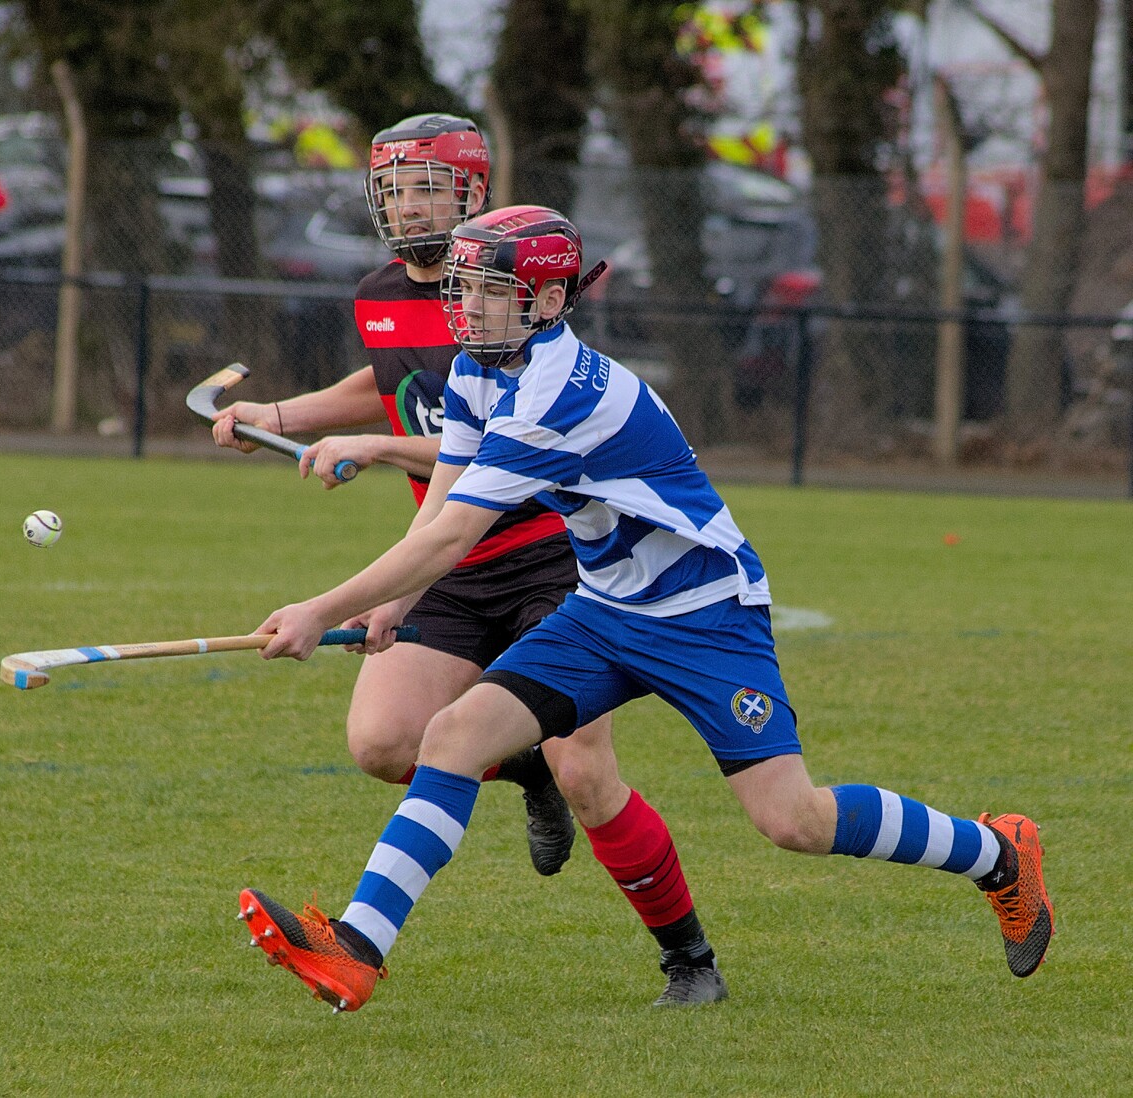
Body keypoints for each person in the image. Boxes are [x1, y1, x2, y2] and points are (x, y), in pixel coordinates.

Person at [236, 205, 1055, 1014]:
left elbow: (452, 535)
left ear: (549, 302)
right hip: (603, 609)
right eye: (461, 288)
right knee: (453, 736)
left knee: (793, 819)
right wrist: (393, 605)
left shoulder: (556, 392)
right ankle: (356, 951)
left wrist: (319, 607)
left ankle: (998, 853)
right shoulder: (480, 368)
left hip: (705, 615)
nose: (464, 306)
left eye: (487, 290)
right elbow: (441, 504)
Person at [216, 116, 728, 1007]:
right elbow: (392, 388)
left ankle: (690, 960)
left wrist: (370, 457)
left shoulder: (501, 286)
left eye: (427, 187)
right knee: (383, 743)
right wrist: (293, 416)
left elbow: (464, 441)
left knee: (588, 770)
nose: (410, 204)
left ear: (472, 195)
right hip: (446, 554)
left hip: (551, 558)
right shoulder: (384, 291)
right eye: (396, 188)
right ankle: (515, 766)